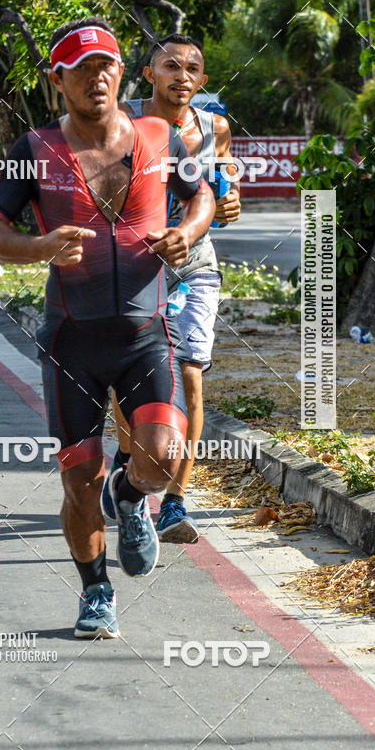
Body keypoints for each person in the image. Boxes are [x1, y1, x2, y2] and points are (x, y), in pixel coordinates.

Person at [0, 17, 215, 638]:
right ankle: (96, 591)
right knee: (81, 480)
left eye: (106, 65)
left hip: (144, 336)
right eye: (82, 69)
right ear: (60, 81)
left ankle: (133, 498)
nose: (97, 77)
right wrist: (41, 245)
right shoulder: (35, 151)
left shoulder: (160, 137)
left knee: (162, 460)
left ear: (121, 72)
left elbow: (201, 198)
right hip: (72, 342)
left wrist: (187, 233)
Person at [108, 33, 241, 544]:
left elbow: (225, 196)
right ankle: (130, 471)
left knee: (189, 377)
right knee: (128, 380)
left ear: (202, 81)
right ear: (149, 74)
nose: (181, 75)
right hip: (134, 265)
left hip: (194, 265)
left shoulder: (215, 129)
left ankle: (176, 502)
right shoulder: (120, 122)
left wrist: (230, 208)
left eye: (192, 68)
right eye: (170, 66)